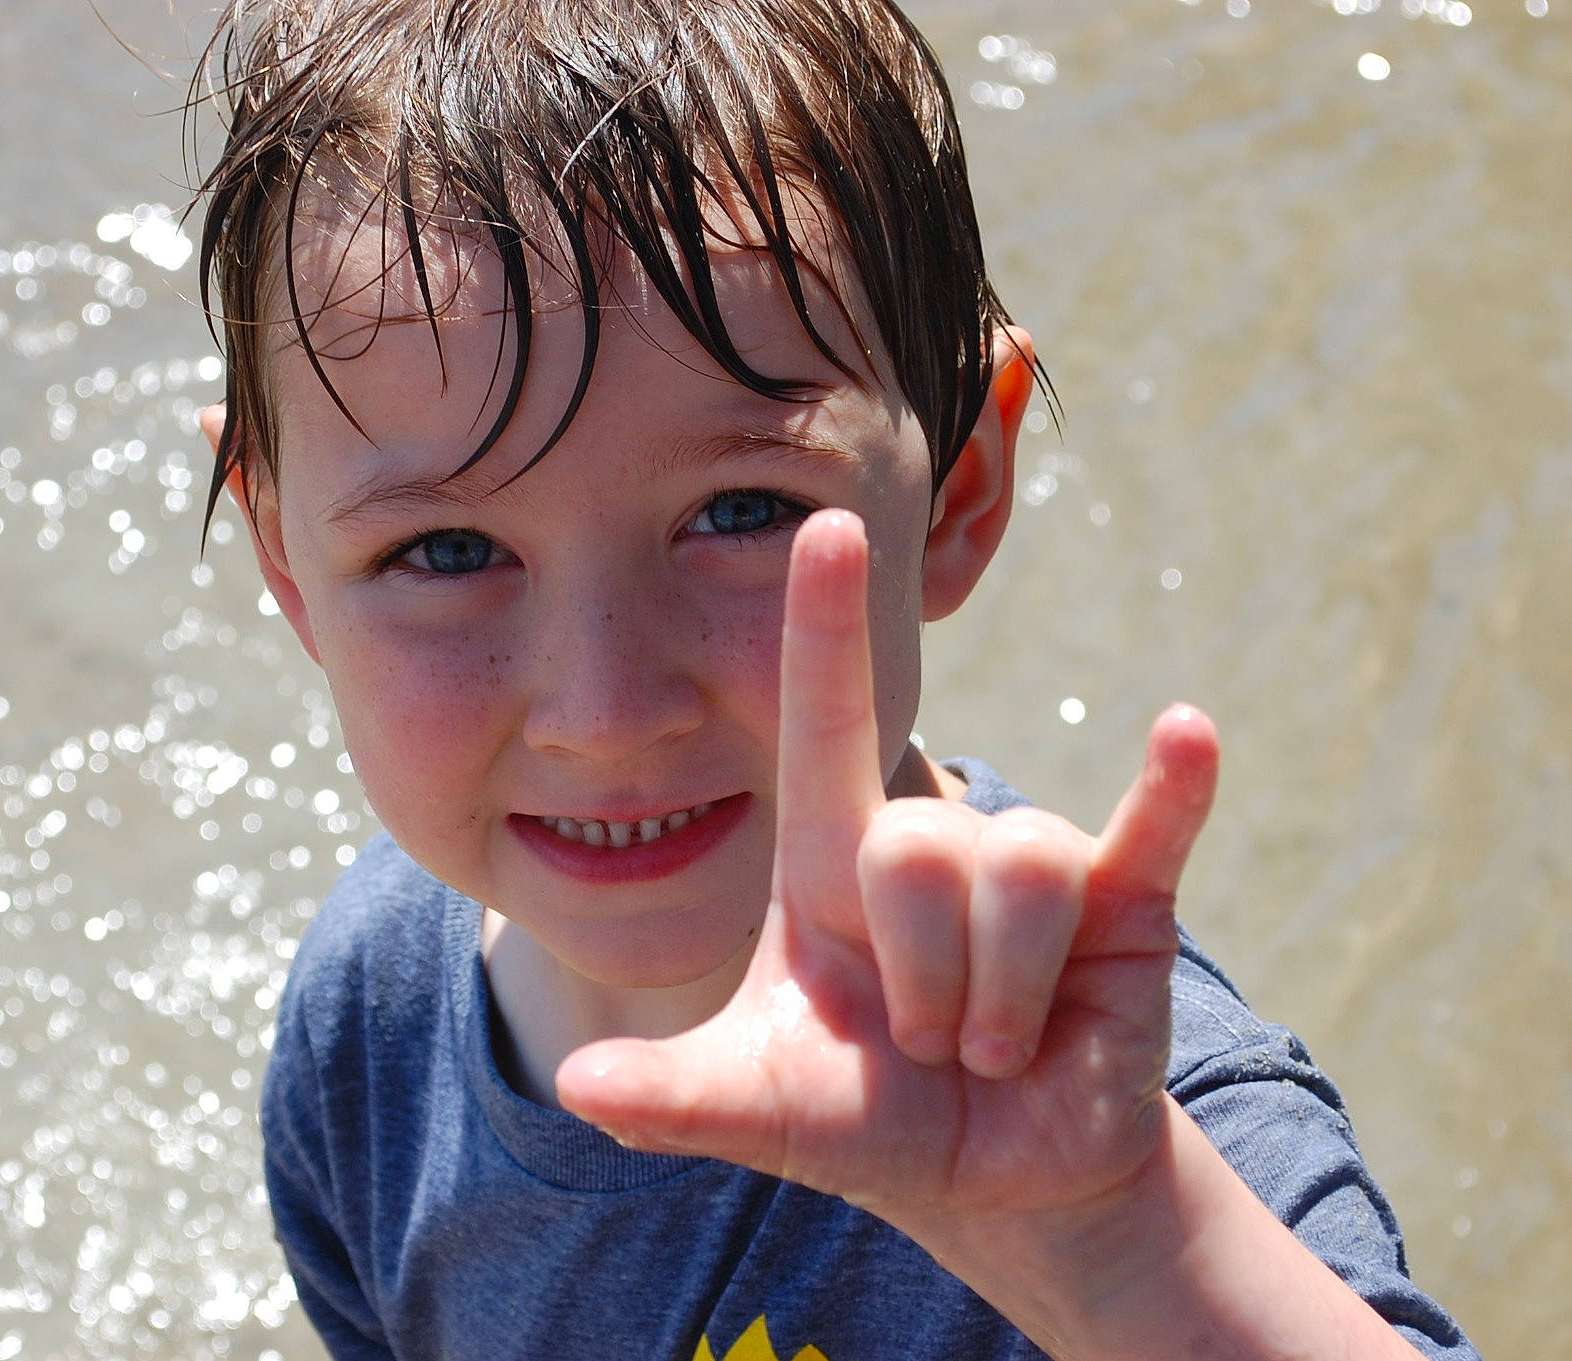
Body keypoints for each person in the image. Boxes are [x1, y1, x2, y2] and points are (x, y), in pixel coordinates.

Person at [182, 0, 1479, 1354]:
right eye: (446, 550)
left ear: (958, 488)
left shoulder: (1111, 1118)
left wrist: (1123, 1259)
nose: (607, 715)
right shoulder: (367, 1025)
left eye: (742, 511)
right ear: (284, 555)